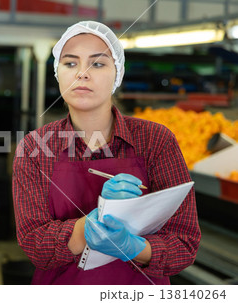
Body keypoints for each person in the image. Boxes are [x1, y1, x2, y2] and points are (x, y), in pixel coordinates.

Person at [12, 21, 200, 284]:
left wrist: (133, 247)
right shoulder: (34, 147)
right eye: (70, 63)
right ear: (57, 73)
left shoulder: (156, 141)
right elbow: (33, 243)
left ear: (117, 74)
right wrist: (84, 229)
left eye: (97, 64)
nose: (82, 73)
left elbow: (184, 242)